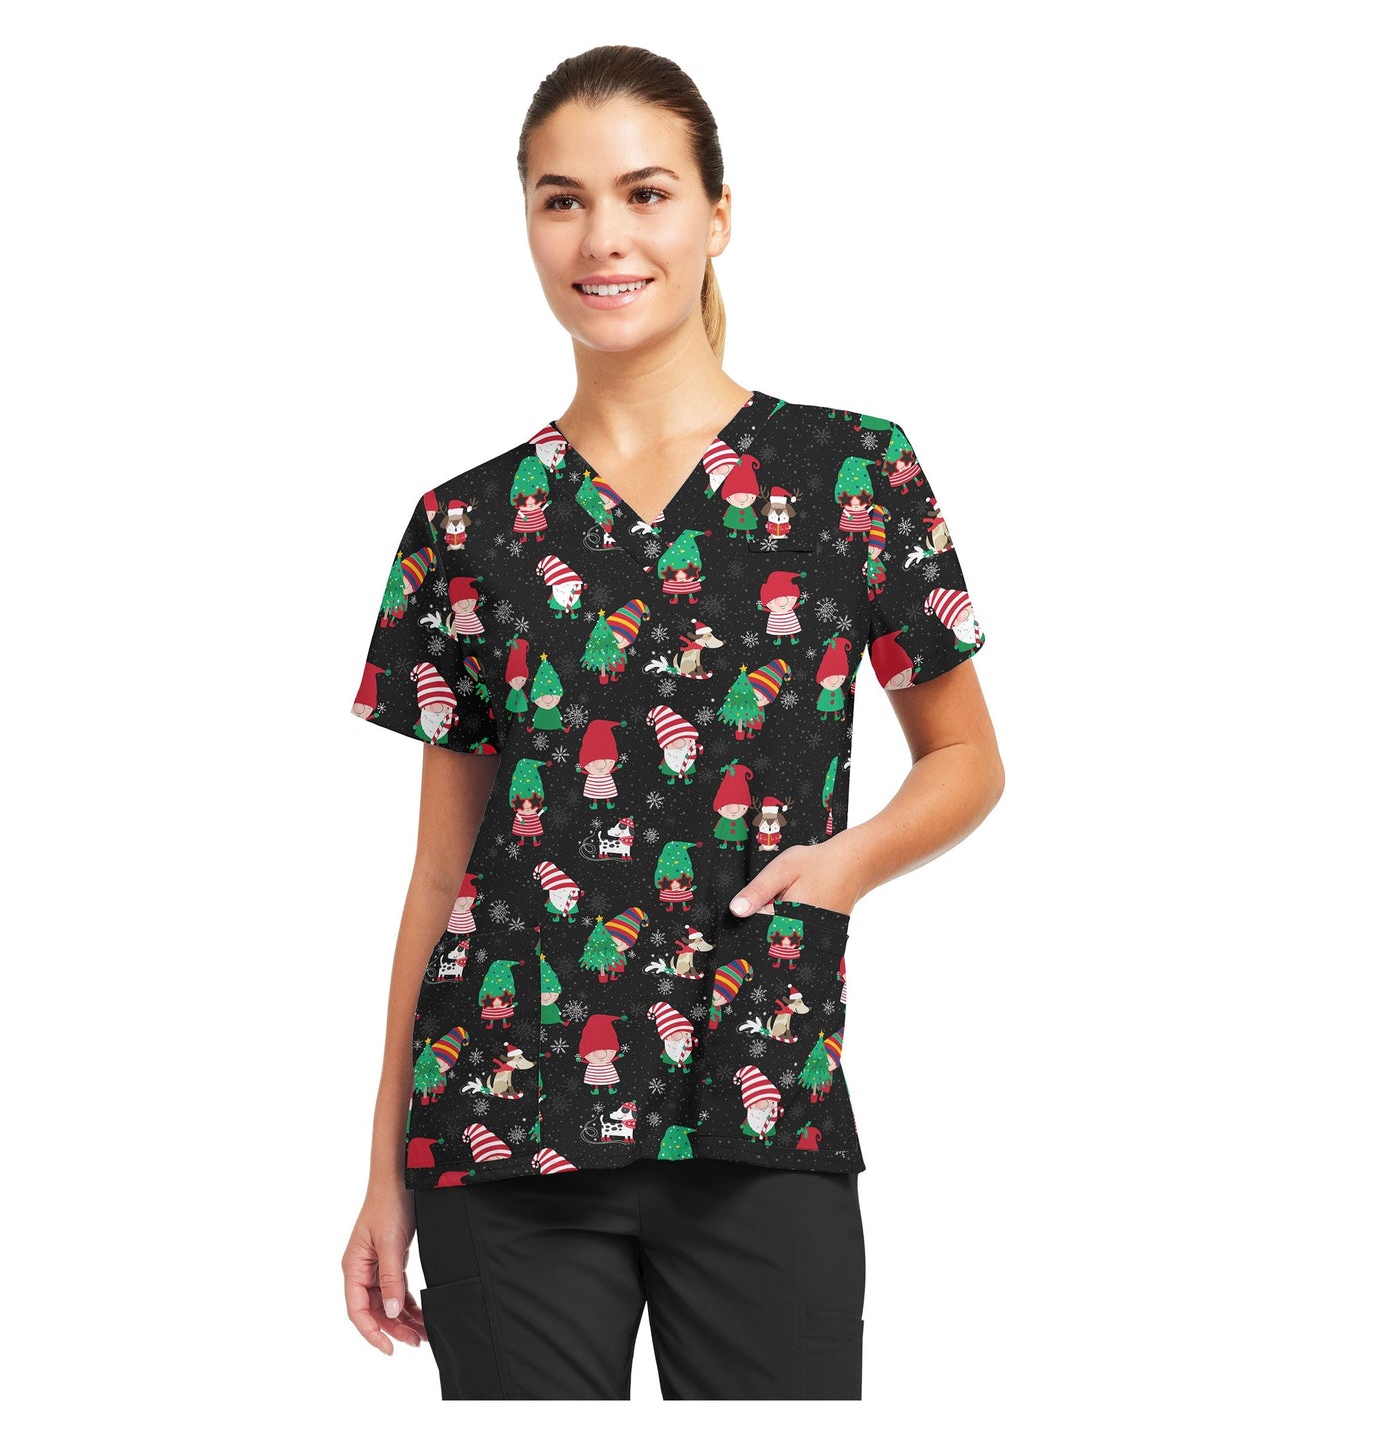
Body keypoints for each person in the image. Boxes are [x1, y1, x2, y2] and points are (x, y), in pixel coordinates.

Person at [339, 44, 1004, 1401]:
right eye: (561, 200)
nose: (603, 238)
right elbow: (439, 872)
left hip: (761, 1102)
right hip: (499, 1126)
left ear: (717, 214)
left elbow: (966, 756)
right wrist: (382, 1169)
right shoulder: (464, 523)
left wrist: (844, 866)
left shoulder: (851, 471)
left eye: (645, 193)